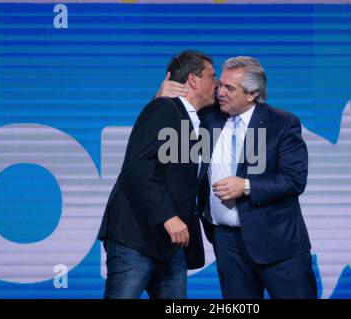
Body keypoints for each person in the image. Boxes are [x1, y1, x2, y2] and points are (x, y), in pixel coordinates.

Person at [158, 56, 317, 299]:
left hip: (278, 245)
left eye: (229, 88)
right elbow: (164, 136)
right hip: (227, 243)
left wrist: (246, 186)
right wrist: (160, 100)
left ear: (252, 93)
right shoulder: (208, 118)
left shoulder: (282, 123)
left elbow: (294, 179)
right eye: (220, 84)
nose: (220, 92)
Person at [97, 50, 217, 299]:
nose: (217, 84)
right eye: (212, 77)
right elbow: (139, 166)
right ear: (193, 80)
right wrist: (168, 216)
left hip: (172, 244)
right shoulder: (164, 109)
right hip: (137, 237)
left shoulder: (197, 120)